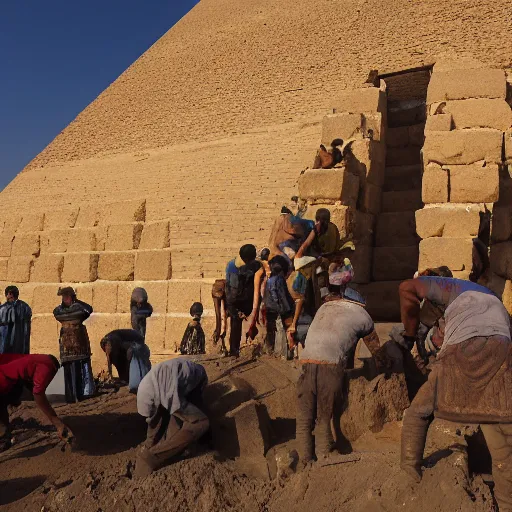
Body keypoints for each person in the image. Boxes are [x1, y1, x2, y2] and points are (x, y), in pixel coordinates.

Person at [398, 276, 512, 511]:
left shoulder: (452, 289)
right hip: (501, 349)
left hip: (460, 345)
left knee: (417, 413)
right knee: (499, 433)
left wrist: (409, 334)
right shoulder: (497, 305)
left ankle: (411, 479)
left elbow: (406, 288)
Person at [296, 270, 389, 464]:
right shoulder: (362, 315)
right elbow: (377, 353)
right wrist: (387, 373)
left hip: (306, 363)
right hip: (330, 367)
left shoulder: (324, 309)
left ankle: (304, 460)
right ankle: (324, 457)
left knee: (304, 419)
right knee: (324, 417)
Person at [135, 358, 209, 478]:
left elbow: (155, 420)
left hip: (156, 387)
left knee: (173, 417)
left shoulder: (164, 382)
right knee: (201, 422)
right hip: (165, 386)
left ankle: (153, 450)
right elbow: (155, 418)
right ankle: (154, 456)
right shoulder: (191, 376)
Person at [0, 353, 72, 452]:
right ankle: (3, 437)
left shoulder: (32, 360)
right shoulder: (47, 366)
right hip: (4, 380)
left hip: (7, 379)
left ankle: (4, 436)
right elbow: (38, 395)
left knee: (3, 404)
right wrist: (58, 424)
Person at [53, 287, 95, 403]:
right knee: (68, 369)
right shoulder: (60, 311)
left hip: (79, 344)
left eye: (67, 296)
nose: (65, 299)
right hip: (67, 346)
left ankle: (82, 394)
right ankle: (71, 396)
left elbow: (89, 310)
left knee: (80, 367)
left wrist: (77, 302)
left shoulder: (76, 309)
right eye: (64, 297)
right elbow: (88, 310)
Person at [225, 244, 261, 357]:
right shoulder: (249, 267)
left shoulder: (233, 264)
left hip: (237, 299)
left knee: (235, 324)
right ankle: (235, 350)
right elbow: (233, 291)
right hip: (242, 300)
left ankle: (234, 350)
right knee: (236, 323)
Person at [0, 285, 32, 354]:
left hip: (7, 348)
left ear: (10, 294)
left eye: (7, 294)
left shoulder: (4, 308)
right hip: (21, 347)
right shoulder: (26, 307)